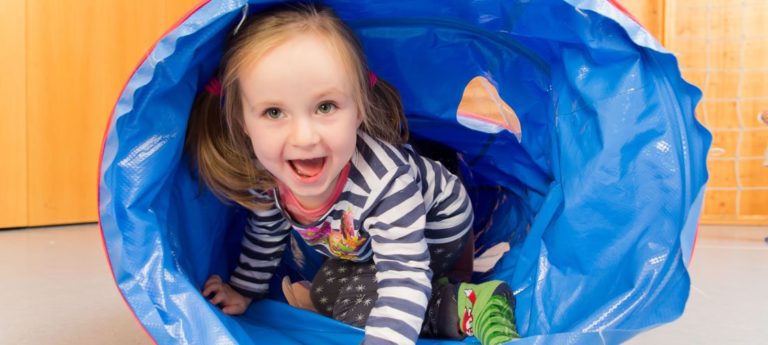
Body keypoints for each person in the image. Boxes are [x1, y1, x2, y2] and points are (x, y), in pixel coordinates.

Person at [185, 3, 519, 345]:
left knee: (359, 310)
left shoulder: (386, 184)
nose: (304, 138)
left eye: (325, 107)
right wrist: (244, 290)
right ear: (242, 120)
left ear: (359, 107)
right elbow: (267, 230)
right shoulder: (268, 171)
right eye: (273, 112)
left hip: (435, 229)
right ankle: (433, 289)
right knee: (325, 291)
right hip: (369, 241)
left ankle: (468, 302)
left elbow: (404, 274)